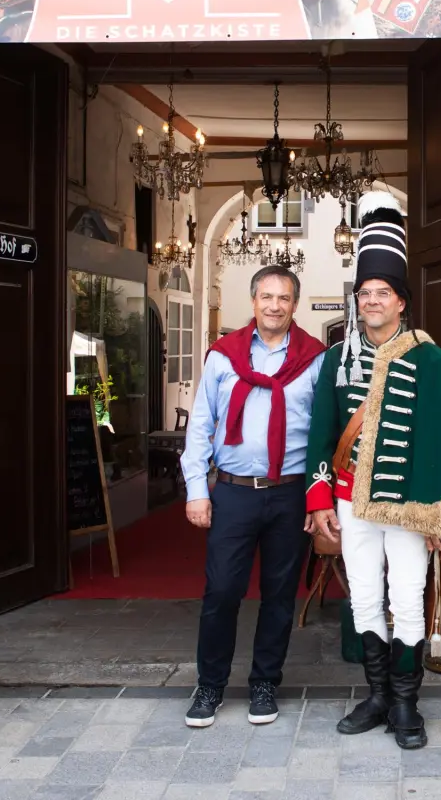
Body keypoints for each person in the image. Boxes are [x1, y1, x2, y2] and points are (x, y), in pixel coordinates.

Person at [303, 192, 441, 751]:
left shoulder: (430, 359)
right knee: (363, 602)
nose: (372, 301)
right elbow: (321, 438)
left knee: (407, 597)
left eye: (383, 293)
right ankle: (377, 695)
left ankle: (406, 704)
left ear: (401, 302)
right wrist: (320, 500)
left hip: (407, 508)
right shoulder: (336, 359)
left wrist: (436, 515)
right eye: (365, 293)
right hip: (352, 503)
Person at [179, 265, 334, 728]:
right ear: (253, 302)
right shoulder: (223, 357)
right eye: (266, 296)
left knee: (280, 595)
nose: (274, 305)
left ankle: (265, 682)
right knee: (222, 590)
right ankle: (210, 685)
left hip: (289, 494)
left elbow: (322, 435)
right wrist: (195, 491)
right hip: (234, 492)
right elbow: (201, 426)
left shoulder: (315, 359)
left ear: (294, 304)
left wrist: (316, 498)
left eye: (283, 298)